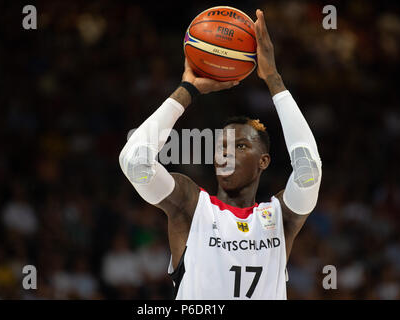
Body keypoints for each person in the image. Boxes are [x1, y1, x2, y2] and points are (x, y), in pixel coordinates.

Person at [119, 9, 322, 299]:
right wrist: (187, 89)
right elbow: (134, 162)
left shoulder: (280, 218)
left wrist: (274, 79)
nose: (225, 154)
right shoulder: (191, 206)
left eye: (240, 146)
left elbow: (308, 170)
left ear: (264, 161)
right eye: (221, 147)